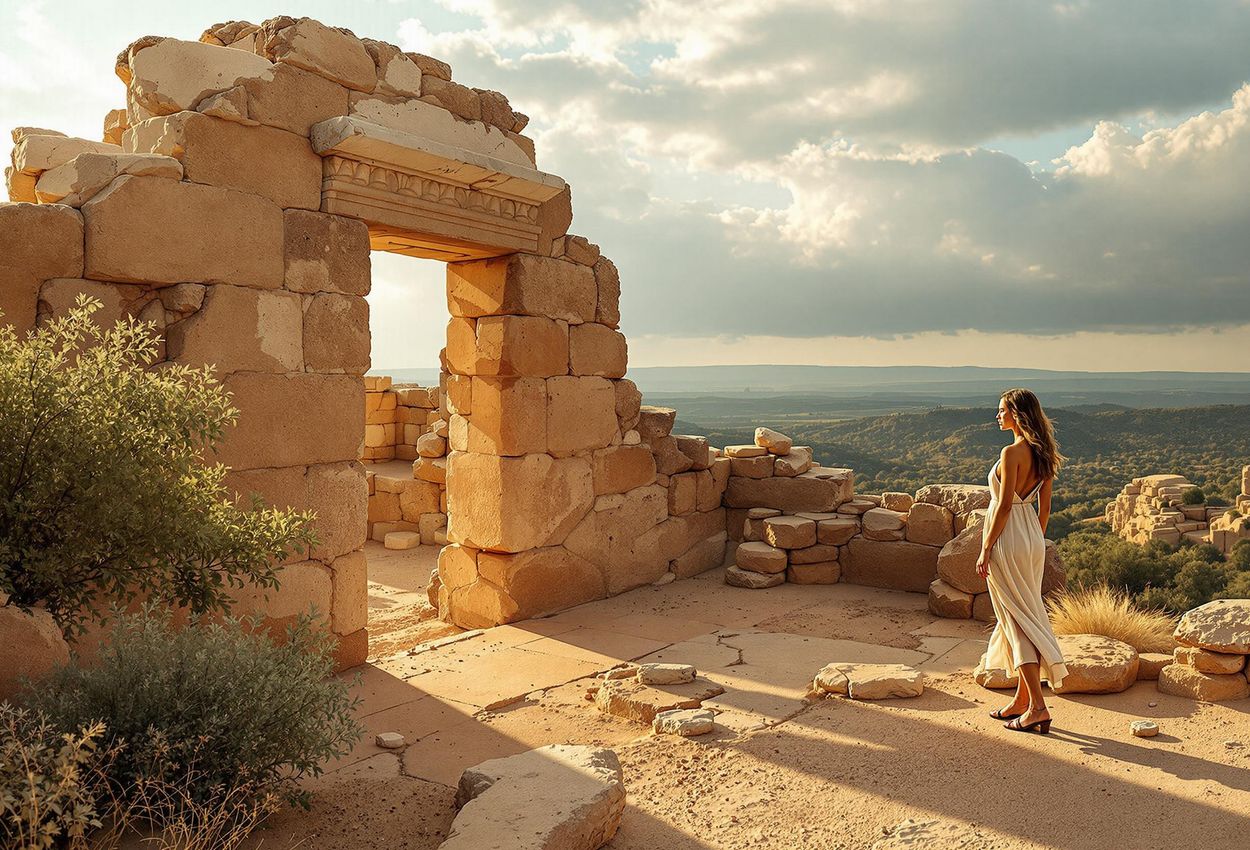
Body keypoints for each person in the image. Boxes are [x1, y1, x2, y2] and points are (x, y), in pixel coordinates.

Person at [976, 388, 1069, 734]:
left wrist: (986, 547)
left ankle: (1038, 708)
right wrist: (1032, 538)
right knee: (1023, 613)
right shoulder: (1044, 455)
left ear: (1017, 414)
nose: (997, 416)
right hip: (1032, 538)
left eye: (1002, 410)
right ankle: (1021, 699)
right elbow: (1044, 511)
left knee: (1016, 620)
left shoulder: (1010, 452)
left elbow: (1001, 506)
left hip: (1008, 537)